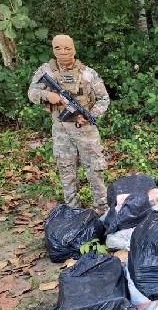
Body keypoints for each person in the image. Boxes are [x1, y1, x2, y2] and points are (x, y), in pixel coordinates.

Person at [28, 34, 109, 214]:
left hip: (86, 130)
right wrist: (47, 96)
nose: (63, 52)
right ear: (53, 49)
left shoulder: (88, 73)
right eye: (58, 48)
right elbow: (32, 93)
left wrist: (91, 115)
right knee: (66, 169)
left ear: (74, 49)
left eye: (67, 48)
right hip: (61, 129)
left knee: (95, 169)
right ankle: (73, 210)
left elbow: (104, 99)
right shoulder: (45, 71)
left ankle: (102, 209)